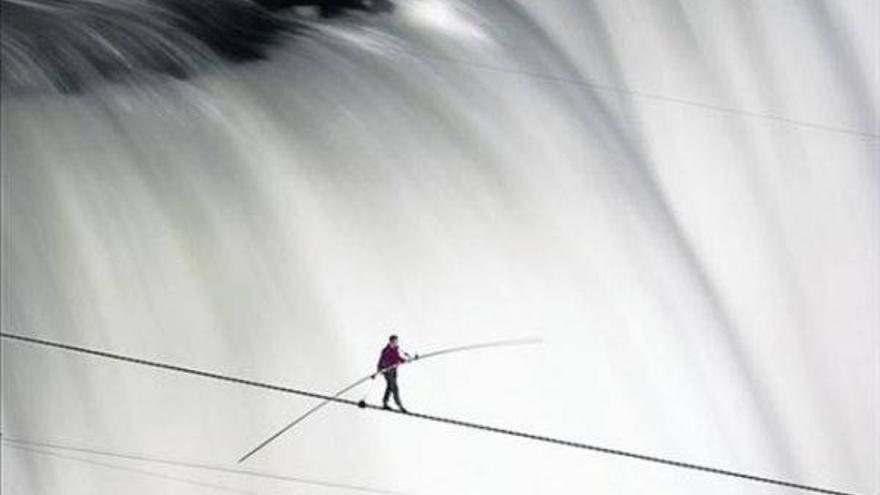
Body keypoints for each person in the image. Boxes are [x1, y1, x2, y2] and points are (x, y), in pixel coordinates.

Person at [373, 334, 415, 413]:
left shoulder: (396, 349)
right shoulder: (386, 350)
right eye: (394, 342)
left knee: (389, 386)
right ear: (390, 342)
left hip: (394, 371)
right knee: (394, 387)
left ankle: (385, 402)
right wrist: (380, 369)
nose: (396, 343)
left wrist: (405, 360)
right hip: (387, 371)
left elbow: (397, 357)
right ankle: (399, 405)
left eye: (396, 342)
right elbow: (382, 361)